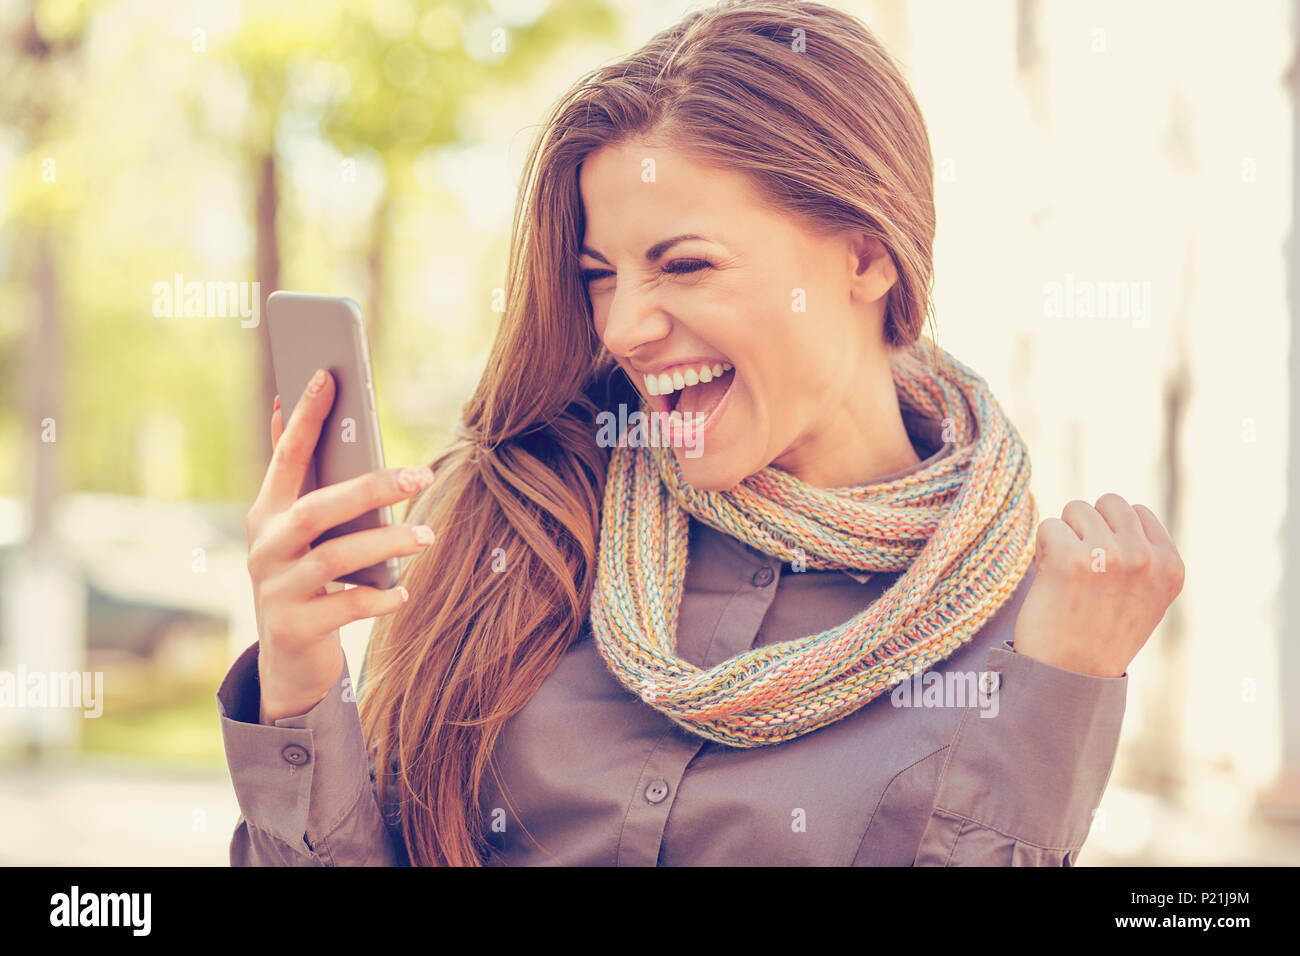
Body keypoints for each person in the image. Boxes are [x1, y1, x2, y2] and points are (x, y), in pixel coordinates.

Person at [219, 0, 1184, 866]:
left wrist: (1061, 693)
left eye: (684, 265)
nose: (621, 327)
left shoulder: (1030, 625)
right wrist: (301, 683)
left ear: (867, 254)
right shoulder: (512, 509)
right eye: (601, 273)